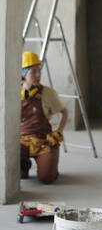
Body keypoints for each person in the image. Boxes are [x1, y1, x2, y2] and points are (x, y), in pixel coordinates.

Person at [20, 51, 68, 184]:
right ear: (24, 75)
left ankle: (50, 164)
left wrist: (59, 131)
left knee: (47, 178)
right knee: (13, 164)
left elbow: (64, 112)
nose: (38, 75)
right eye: (33, 72)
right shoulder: (15, 93)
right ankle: (24, 165)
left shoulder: (47, 93)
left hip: (43, 141)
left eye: (39, 71)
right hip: (22, 141)